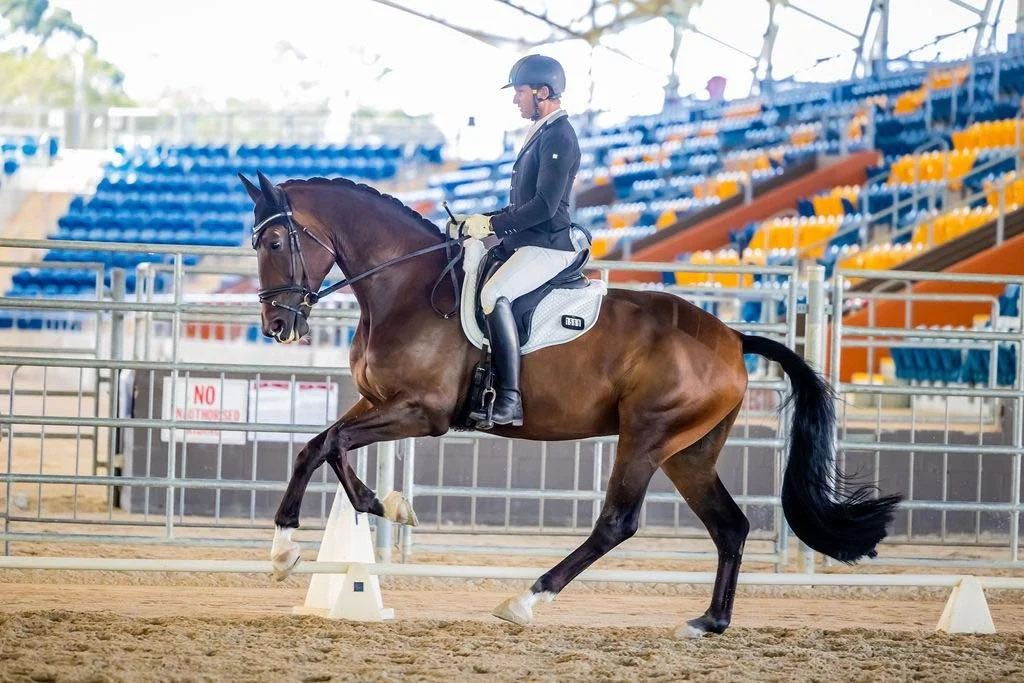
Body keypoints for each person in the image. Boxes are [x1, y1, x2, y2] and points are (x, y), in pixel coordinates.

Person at [448, 54, 585, 427]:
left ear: (543, 92)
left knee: (494, 294)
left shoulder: (559, 135)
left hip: (547, 244)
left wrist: (493, 224)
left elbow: (543, 206)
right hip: (525, 240)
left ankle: (509, 398)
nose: (515, 100)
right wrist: (478, 221)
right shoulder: (541, 131)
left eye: (520, 92)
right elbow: (520, 202)